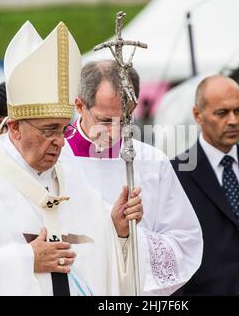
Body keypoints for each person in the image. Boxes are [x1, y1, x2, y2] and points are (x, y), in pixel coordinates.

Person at [0, 21, 142, 296]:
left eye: (64, 128)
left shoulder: (74, 182)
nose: (60, 141)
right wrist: (26, 260)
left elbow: (106, 264)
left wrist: (118, 230)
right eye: (48, 129)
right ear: (14, 127)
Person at [59, 60, 203, 295]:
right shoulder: (55, 160)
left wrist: (132, 237)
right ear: (79, 105)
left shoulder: (154, 163)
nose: (116, 132)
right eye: (105, 121)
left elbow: (186, 245)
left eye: (125, 120)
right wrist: (112, 228)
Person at [171, 75, 239, 295]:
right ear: (197, 115)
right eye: (222, 113)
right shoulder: (176, 173)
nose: (233, 120)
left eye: (238, 110)